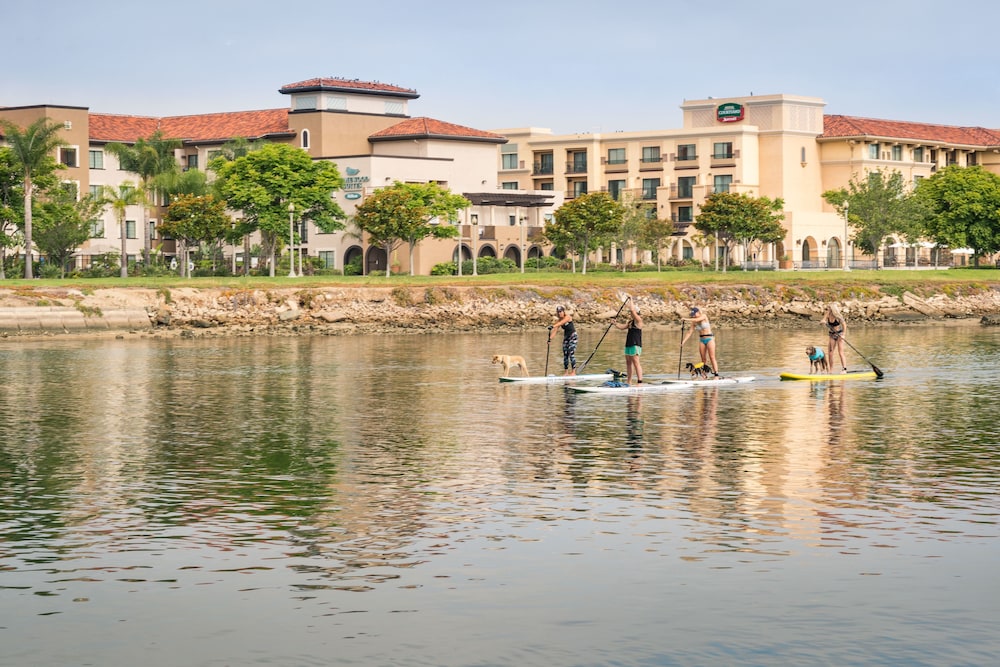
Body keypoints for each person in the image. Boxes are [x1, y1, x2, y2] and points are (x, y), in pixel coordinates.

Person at [681, 306, 719, 377]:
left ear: (698, 312)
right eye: (692, 315)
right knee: (703, 359)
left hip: (710, 338)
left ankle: (716, 375)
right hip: (702, 340)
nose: (693, 316)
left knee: (712, 357)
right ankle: (704, 374)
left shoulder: (703, 316)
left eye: (694, 314)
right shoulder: (694, 321)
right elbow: (689, 332)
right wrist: (683, 342)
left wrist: (685, 319)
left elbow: (697, 319)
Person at [613, 298, 643, 384]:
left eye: (632, 313)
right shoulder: (630, 322)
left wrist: (631, 299)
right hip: (629, 343)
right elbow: (622, 327)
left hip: (635, 344)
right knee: (628, 362)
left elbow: (632, 310)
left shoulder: (639, 321)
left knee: (636, 362)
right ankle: (629, 381)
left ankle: (640, 381)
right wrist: (615, 323)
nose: (630, 313)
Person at [549, 305, 577, 376]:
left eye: (560, 311)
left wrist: (553, 326)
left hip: (573, 336)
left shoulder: (568, 317)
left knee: (571, 353)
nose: (559, 313)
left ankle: (573, 372)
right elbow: (555, 331)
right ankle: (566, 372)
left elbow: (562, 323)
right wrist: (549, 339)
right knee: (565, 354)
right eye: (558, 312)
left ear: (563, 311)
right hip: (566, 337)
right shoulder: (558, 320)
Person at [823, 303, 848, 372]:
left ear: (832, 309)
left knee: (840, 352)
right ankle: (831, 370)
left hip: (839, 334)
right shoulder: (827, 314)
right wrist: (823, 322)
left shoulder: (838, 316)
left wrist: (843, 335)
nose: (827, 309)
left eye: (829, 308)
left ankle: (844, 369)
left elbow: (844, 325)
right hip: (831, 335)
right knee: (830, 353)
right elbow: (823, 320)